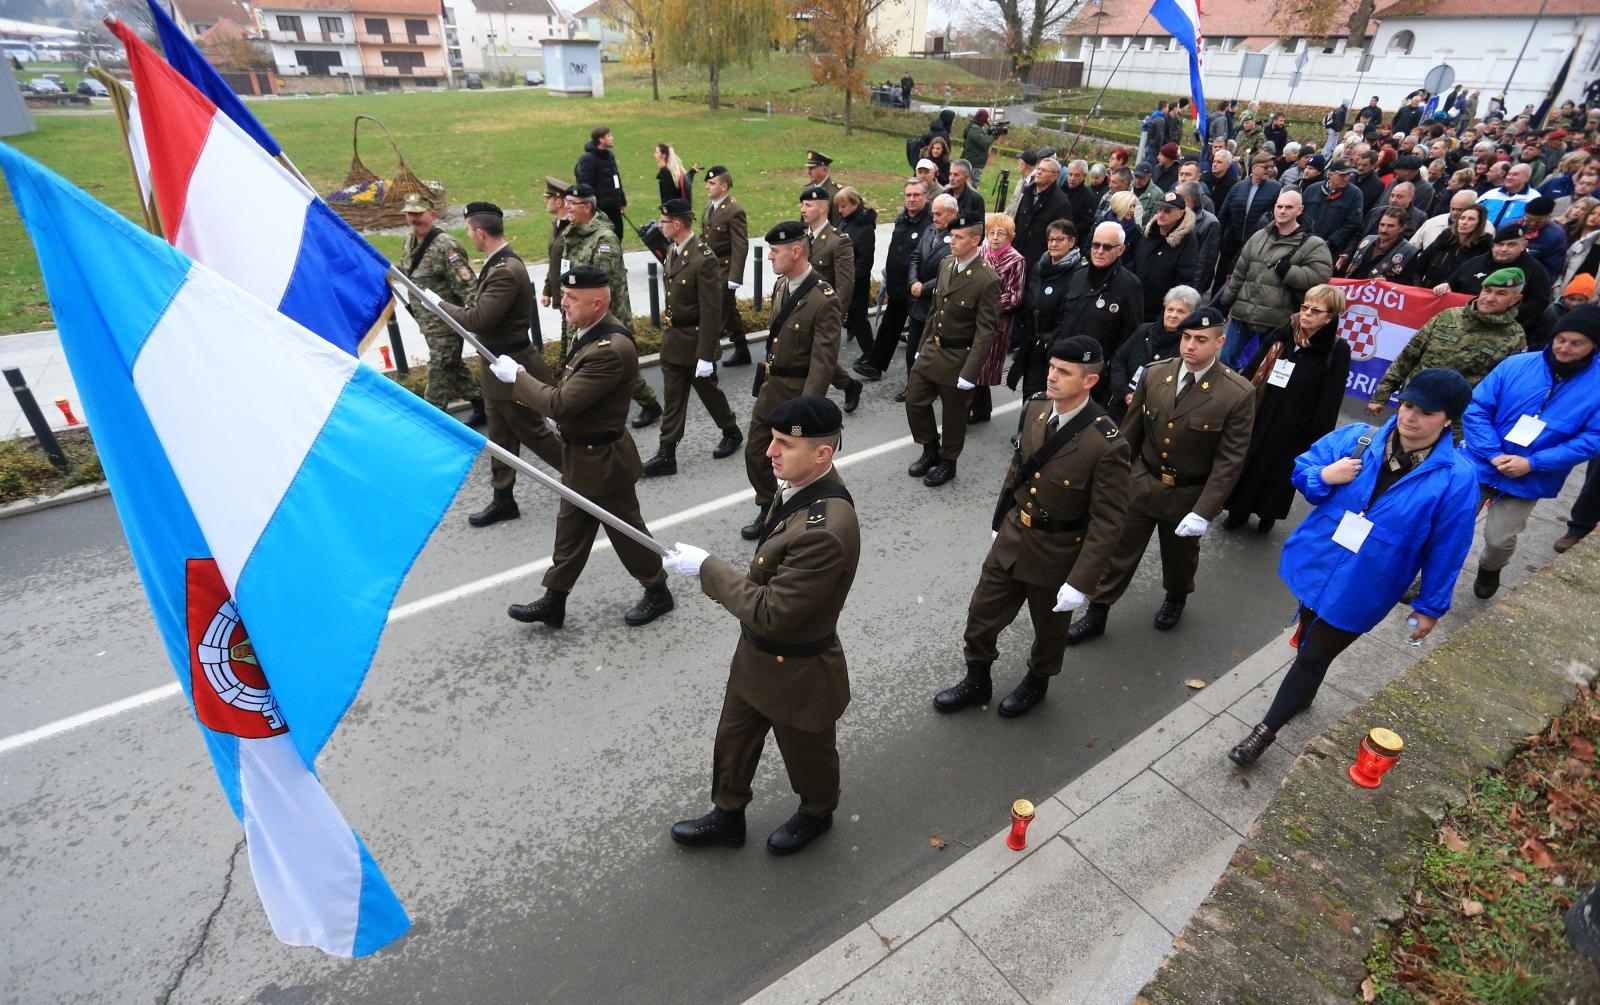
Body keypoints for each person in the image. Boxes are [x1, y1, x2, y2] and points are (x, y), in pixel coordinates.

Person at [1228, 369, 1480, 766]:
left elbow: (1449, 547)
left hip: (1371, 583)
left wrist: (1431, 606)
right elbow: (1304, 471)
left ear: (1448, 419)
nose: (1410, 417)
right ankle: (1304, 691)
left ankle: (1264, 733)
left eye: (1425, 412)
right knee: (1309, 637)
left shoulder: (1457, 478)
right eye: (1408, 405)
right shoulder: (1358, 438)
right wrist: (1324, 476)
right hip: (1319, 562)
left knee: (1313, 655)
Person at [664, 395, 860, 857]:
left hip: (798, 669)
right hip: (756, 655)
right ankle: (728, 815)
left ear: (822, 454)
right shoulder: (796, 488)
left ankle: (817, 812)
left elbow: (774, 610)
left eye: (783, 444)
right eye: (771, 440)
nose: (770, 452)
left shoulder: (825, 528)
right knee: (733, 741)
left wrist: (707, 568)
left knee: (807, 754)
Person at [933, 335, 1131, 718]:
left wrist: (1080, 582)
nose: (1051, 376)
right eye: (1052, 367)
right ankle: (977, 680)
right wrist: (999, 520)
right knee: (981, 615)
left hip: (1057, 553)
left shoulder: (1106, 444)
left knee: (1049, 631)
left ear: (1089, 381)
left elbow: (1108, 522)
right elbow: (1017, 472)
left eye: (1064, 371)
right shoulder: (1038, 408)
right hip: (1013, 536)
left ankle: (1037, 682)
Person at [491, 266, 674, 629]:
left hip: (603, 460)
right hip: (581, 455)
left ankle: (658, 590)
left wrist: (519, 380)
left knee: (627, 532)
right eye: (564, 295)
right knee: (571, 531)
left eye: (572, 298)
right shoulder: (589, 334)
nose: (563, 303)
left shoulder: (610, 348)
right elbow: (566, 392)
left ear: (598, 301)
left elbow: (561, 403)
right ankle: (554, 600)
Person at [1067, 307, 1255, 643]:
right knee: (1118, 551)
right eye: (1186, 337)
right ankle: (1098, 611)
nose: (1190, 346)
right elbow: (1129, 435)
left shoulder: (1236, 393)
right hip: (1143, 482)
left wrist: (1203, 512)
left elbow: (1230, 460)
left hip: (1187, 493)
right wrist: (1114, 482)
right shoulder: (1155, 374)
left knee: (1180, 558)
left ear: (1220, 342)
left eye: (1201, 339)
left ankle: (1176, 597)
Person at [431, 201, 564, 527]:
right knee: (501, 437)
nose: (469, 237)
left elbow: (480, 319)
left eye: (469, 231)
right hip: (496, 367)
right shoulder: (496, 264)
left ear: (479, 232)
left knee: (533, 432)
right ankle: (503, 497)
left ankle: (587, 477)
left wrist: (439, 304)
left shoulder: (505, 271)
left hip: (511, 367)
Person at [1461, 305, 1600, 599]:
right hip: (1481, 463)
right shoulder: (1517, 365)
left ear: (1594, 346)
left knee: (1499, 539)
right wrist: (1492, 453)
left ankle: (1490, 568)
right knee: (1450, 524)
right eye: (1561, 339)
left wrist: (1533, 463)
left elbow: (1593, 438)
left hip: (1530, 476)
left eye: (1577, 343)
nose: (1565, 347)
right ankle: (1425, 578)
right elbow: (1476, 408)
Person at [739, 222, 843, 540]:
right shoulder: (782, 285)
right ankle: (767, 505)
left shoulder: (823, 299)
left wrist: (805, 409)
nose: (769, 257)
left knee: (802, 461)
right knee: (756, 452)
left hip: (798, 395)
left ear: (795, 252)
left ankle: (807, 510)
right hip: (772, 389)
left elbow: (822, 362)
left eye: (775, 251)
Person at [1223, 285, 1353, 533]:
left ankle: (1267, 515)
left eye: (1315, 310)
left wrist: (1317, 433)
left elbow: (1331, 396)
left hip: (1298, 422)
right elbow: (1254, 367)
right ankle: (1237, 510)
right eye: (1305, 307)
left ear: (1329, 317)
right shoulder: (1284, 333)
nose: (1306, 314)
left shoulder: (1337, 349)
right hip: (1264, 410)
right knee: (1250, 461)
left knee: (1280, 472)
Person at [640, 198, 742, 477]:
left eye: (663, 222)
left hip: (696, 341)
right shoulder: (674, 250)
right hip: (674, 340)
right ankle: (666, 453)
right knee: (673, 398)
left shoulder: (703, 258)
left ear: (676, 224)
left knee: (709, 393)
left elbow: (712, 310)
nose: (659, 226)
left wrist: (707, 354)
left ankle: (731, 431)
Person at [905, 211, 1001, 487]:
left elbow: (986, 331)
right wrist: (922, 347)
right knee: (914, 401)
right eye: (952, 236)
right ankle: (929, 449)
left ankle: (948, 460)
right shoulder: (947, 264)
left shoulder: (986, 279)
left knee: (954, 414)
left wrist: (971, 372)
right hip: (934, 349)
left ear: (975, 240)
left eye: (959, 237)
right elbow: (936, 311)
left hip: (960, 356)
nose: (952, 241)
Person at [562, 183, 661, 429]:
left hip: (606, 317)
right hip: (580, 313)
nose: (567, 209)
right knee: (577, 360)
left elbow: (602, 285)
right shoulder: (573, 233)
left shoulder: (604, 239)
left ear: (586, 207)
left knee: (625, 368)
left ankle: (650, 404)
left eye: (571, 204)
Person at [1372, 267, 1528, 414]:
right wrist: (1382, 395)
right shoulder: (1449, 316)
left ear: (1515, 299)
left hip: (1457, 418)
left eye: (1501, 294)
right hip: (1413, 403)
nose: (1490, 298)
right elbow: (1408, 356)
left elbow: (1502, 389)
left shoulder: (1514, 338)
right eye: (1487, 290)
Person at [1218, 189, 1334, 369]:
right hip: (1244, 314)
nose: (1282, 211)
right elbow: (1240, 272)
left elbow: (1320, 278)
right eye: (1279, 206)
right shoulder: (1259, 236)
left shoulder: (1313, 244)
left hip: (1278, 322)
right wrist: (1226, 302)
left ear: (1300, 210)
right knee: (1224, 363)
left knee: (1265, 370)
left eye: (1288, 207)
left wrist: (1289, 272)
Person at [397, 192, 478, 423]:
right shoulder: (409, 241)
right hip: (428, 324)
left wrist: (478, 322)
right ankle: (481, 401)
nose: (414, 219)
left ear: (432, 215)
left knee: (439, 367)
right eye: (410, 214)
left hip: (448, 323)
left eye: (419, 214)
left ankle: (431, 421)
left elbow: (468, 287)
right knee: (452, 365)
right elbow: (407, 271)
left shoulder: (446, 247)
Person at [1052, 221, 1145, 394]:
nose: (1099, 251)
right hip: (1064, 364)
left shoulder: (1129, 286)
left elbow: (1131, 336)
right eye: (1096, 245)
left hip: (1095, 375)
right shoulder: (1078, 276)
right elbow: (1062, 319)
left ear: (1121, 250)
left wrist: (1111, 371)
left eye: (1107, 247)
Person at [800, 185, 866, 413]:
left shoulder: (838, 241)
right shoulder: (802, 237)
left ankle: (807, 414)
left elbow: (845, 284)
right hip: (803, 311)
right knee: (813, 355)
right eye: (802, 204)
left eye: (808, 205)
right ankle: (849, 385)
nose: (803, 209)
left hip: (825, 312)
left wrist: (836, 315)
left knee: (819, 360)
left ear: (823, 208)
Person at [858, 178, 930, 383]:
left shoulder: (930, 223)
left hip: (916, 287)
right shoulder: (901, 219)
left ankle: (919, 381)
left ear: (926, 197)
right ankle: (875, 365)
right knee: (889, 327)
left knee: (919, 336)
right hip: (897, 285)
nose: (912, 199)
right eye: (908, 195)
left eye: (917, 195)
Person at [1009, 221, 1081, 414]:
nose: (1054, 244)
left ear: (1072, 242)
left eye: (1060, 239)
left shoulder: (1078, 273)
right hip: (1033, 340)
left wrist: (1054, 337)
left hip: (1054, 343)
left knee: (1048, 393)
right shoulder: (1040, 266)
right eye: (1051, 239)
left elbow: (1070, 311)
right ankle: (1025, 433)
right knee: (1030, 391)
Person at [1440, 223, 1552, 344]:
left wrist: (1500, 312)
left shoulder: (1535, 271)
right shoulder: (1475, 262)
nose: (1504, 249)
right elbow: (1452, 283)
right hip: (1458, 326)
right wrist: (1445, 285)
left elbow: (1539, 303)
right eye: (1500, 244)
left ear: (1523, 245)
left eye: (1511, 245)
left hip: (1499, 336)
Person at [1105, 285, 1199, 424]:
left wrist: (1141, 401)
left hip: (1151, 415)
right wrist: (1125, 393)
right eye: (1170, 309)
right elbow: (1119, 359)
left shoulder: (1188, 346)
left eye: (1181, 311)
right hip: (1119, 402)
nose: (1173, 315)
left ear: (1191, 315)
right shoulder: (1144, 330)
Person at [972, 213, 1025, 424]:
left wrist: (986, 303)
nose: (994, 237)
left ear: (1009, 236)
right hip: (973, 318)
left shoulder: (1016, 260)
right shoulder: (981, 252)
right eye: (991, 232)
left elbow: (1015, 297)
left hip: (996, 322)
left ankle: (979, 410)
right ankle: (980, 408)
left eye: (1000, 233)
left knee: (982, 366)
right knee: (973, 364)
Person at [904, 193, 956, 402]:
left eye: (938, 214)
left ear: (952, 213)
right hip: (919, 301)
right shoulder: (931, 229)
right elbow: (916, 256)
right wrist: (913, 282)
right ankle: (912, 386)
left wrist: (923, 288)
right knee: (913, 348)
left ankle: (932, 389)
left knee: (933, 352)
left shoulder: (957, 236)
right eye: (933, 213)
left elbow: (950, 269)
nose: (933, 218)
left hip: (938, 303)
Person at [701, 166, 752, 367]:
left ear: (724, 186)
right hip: (711, 268)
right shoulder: (710, 206)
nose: (707, 186)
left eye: (712, 183)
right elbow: (705, 237)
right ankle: (742, 350)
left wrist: (735, 277)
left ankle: (709, 358)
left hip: (725, 268)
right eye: (707, 183)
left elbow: (741, 245)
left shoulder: (734, 210)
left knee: (716, 314)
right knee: (729, 311)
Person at [1131, 190, 1201, 318]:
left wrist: (1168, 313)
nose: (1161, 214)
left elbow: (1185, 279)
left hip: (1160, 312)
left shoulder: (1187, 241)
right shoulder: (1149, 234)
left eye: (1167, 211)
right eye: (1159, 209)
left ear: (1180, 214)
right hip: (1134, 304)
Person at [1216, 155, 1280, 285]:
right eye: (1265, 167)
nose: (1269, 170)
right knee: (1221, 279)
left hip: (1257, 244)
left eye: (1271, 167)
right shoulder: (1238, 187)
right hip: (1232, 243)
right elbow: (1223, 214)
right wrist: (1220, 239)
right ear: (1254, 168)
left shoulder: (1275, 188)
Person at [834, 187, 877, 366]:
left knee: (859, 320)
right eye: (839, 206)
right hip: (845, 279)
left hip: (856, 283)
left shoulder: (864, 228)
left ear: (855, 204)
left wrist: (849, 280)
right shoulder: (845, 221)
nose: (840, 210)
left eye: (843, 206)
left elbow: (864, 261)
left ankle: (872, 355)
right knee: (855, 319)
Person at [1012, 156, 1070, 272]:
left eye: (1044, 170)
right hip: (1015, 258)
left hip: (1037, 264)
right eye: (1039, 169)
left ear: (1055, 176)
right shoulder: (1027, 193)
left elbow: (1061, 238)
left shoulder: (1061, 203)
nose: (1039, 172)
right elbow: (1016, 223)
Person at [1415, 201, 1490, 289]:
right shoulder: (1445, 239)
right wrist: (1418, 288)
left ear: (1479, 224)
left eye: (1471, 219)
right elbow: (1419, 266)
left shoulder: (1483, 248)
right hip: (1427, 291)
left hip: (1455, 297)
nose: (1464, 222)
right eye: (1462, 218)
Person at [1301, 158, 1366, 259]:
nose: (1345, 178)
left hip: (1330, 250)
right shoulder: (1312, 189)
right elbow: (1300, 214)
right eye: (1342, 175)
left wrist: (1331, 241)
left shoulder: (1355, 194)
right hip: (1304, 243)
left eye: (1348, 175)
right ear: (1330, 174)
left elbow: (1353, 223)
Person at [1337, 207, 1421, 284]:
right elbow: (1345, 268)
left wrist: (1387, 281)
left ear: (1402, 228)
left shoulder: (1408, 252)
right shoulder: (1367, 240)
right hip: (1351, 290)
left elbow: (1408, 283)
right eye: (1382, 225)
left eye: (1390, 226)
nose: (1384, 230)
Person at [574, 125, 627, 243]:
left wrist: (621, 201)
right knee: (603, 241)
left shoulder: (610, 156)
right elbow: (585, 186)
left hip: (614, 207)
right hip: (600, 210)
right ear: (601, 140)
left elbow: (616, 180)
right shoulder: (589, 159)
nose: (612, 138)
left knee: (618, 236)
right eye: (608, 136)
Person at [539, 175, 573, 351]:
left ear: (559, 202)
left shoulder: (571, 231)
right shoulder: (557, 226)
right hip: (561, 296)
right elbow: (554, 261)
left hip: (570, 297)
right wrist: (547, 290)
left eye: (548, 197)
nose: (545, 200)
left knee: (569, 344)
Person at [1520, 195, 1569, 281]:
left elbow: (1552, 269)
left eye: (1538, 221)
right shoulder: (1509, 226)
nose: (1532, 223)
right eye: (1528, 219)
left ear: (1548, 217)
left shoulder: (1556, 236)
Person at [1478, 162, 1537, 228]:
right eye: (1509, 174)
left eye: (1515, 175)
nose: (1509, 177)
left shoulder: (1534, 199)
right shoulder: (1490, 194)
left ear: (1526, 178)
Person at [1062, 159, 1099, 242]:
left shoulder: (1089, 198)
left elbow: (1086, 223)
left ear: (1084, 176)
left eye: (1077, 175)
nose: (1072, 178)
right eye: (1070, 174)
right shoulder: (1060, 189)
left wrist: (1067, 234)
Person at [805, 150, 841, 225]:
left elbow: (836, 224)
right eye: (808, 168)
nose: (808, 172)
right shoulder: (807, 190)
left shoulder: (836, 193)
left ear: (824, 170)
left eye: (812, 168)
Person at [961, 110, 996, 183]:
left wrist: (988, 134)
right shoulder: (975, 130)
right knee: (972, 185)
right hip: (974, 163)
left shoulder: (972, 127)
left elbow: (980, 139)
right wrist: (994, 136)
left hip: (972, 161)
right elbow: (985, 143)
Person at [655, 142, 693, 207]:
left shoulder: (665, 172)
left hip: (672, 213)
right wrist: (692, 172)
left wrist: (664, 212)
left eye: (657, 152)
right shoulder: (674, 172)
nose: (654, 155)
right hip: (679, 211)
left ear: (663, 155)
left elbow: (667, 198)